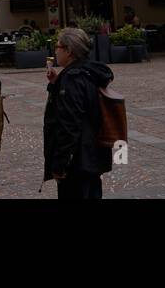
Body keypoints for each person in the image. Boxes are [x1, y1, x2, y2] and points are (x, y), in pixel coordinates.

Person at [43, 27, 114, 200]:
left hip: (77, 163)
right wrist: (56, 83)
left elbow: (69, 125)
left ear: (69, 51)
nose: (55, 51)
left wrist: (60, 164)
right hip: (92, 156)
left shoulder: (72, 79)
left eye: (57, 46)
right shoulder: (88, 72)